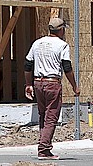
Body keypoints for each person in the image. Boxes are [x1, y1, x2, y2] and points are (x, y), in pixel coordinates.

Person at [24, 17, 80, 160]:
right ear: (61, 30)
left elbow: (28, 65)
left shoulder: (37, 43)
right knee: (51, 117)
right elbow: (67, 67)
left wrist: (28, 84)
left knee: (43, 115)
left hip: (38, 82)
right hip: (52, 83)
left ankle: (44, 146)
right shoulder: (62, 45)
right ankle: (43, 149)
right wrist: (75, 86)